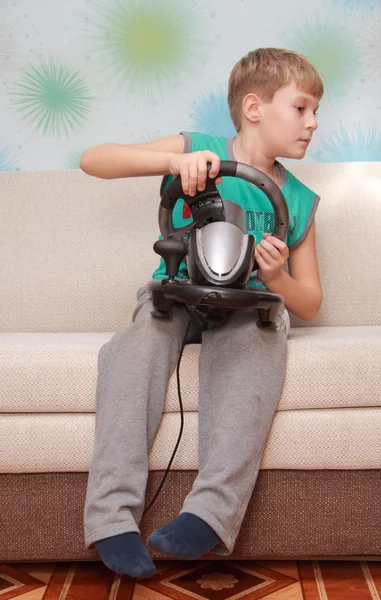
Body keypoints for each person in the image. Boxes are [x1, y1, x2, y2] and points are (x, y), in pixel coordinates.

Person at [80, 48, 324, 578]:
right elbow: (93, 159)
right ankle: (110, 517)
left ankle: (210, 515)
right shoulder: (199, 148)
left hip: (246, 307)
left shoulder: (300, 199)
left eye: (315, 113)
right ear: (254, 107)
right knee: (136, 346)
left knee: (258, 344)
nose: (313, 123)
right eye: (302, 108)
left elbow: (310, 302)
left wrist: (277, 278)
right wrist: (174, 162)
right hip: (181, 294)